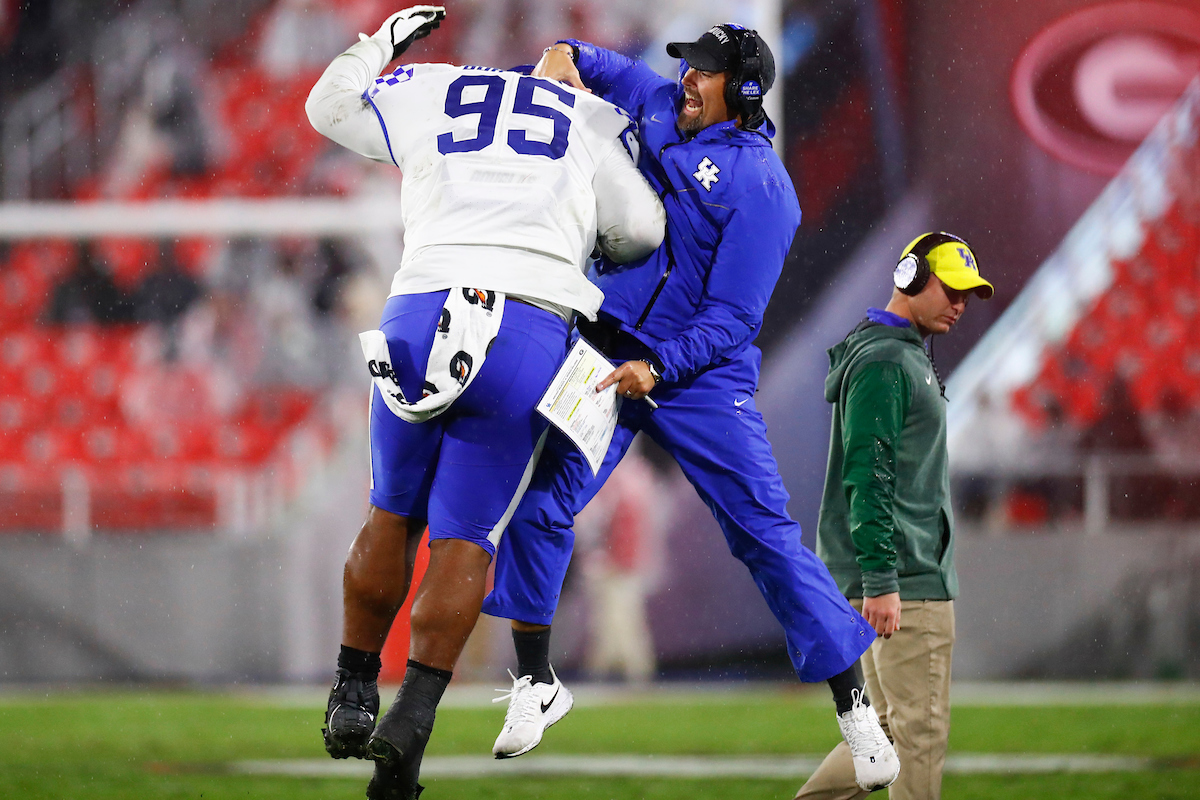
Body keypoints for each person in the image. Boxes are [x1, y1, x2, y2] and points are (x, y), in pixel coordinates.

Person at [480, 25, 899, 792]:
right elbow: (596, 64)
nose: (686, 81)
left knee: (765, 538)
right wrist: (562, 56)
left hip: (700, 377)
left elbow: (733, 319)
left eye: (704, 72)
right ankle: (537, 680)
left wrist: (660, 365)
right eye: (688, 67)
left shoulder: (765, 188)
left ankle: (857, 713)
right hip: (609, 354)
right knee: (540, 505)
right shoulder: (656, 103)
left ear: (742, 90)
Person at [304, 6, 665, 800]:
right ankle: (412, 720)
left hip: (423, 304)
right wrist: (585, 234)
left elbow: (325, 107)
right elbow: (642, 229)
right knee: (467, 539)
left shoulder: (432, 88)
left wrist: (384, 42)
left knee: (390, 513)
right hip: (528, 326)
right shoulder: (586, 117)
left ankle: (352, 686)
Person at [795, 232, 994, 800]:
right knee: (919, 735)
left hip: (891, 578)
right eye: (952, 290)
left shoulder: (889, 352)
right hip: (905, 583)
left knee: (886, 732)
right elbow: (870, 473)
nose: (960, 305)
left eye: (968, 295)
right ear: (909, 279)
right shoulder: (888, 358)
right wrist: (883, 580)